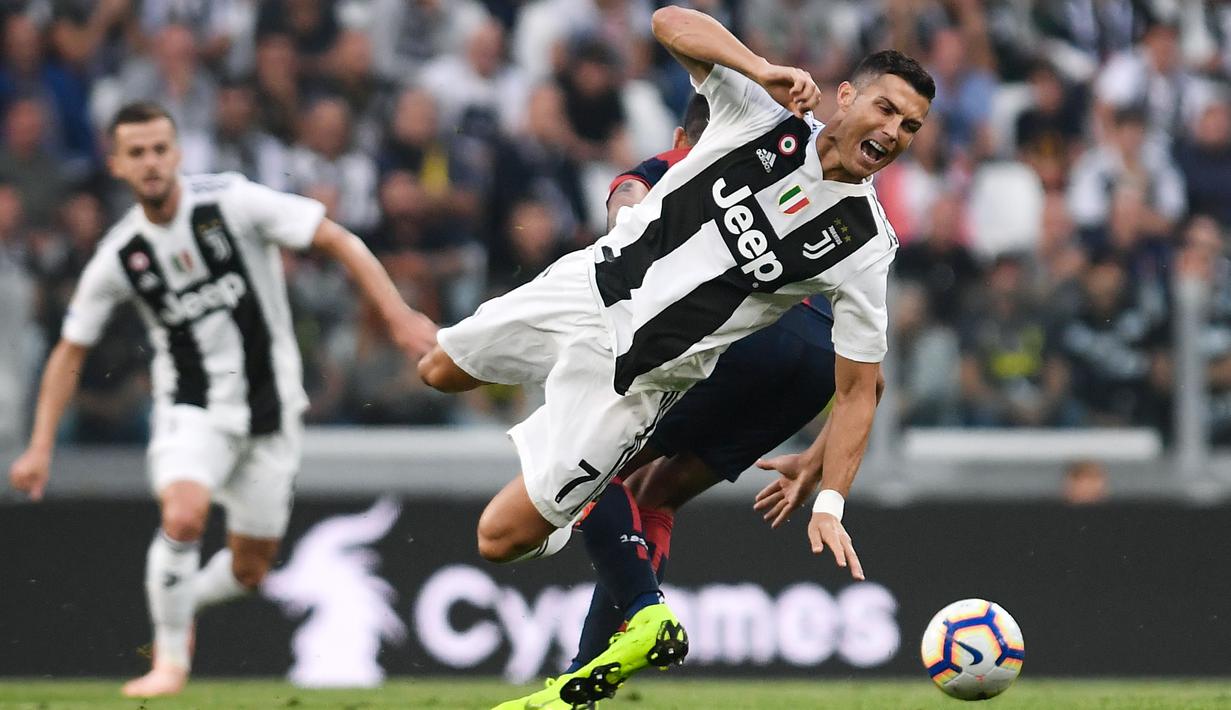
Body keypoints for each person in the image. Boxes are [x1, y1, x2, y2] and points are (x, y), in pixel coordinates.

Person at [418, 6, 933, 706]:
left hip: (635, 383)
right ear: (845, 95)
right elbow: (667, 22)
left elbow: (858, 389)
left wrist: (832, 502)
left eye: (909, 127)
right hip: (586, 291)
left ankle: (629, 607)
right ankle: (627, 592)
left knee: (497, 539)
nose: (893, 132)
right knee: (439, 372)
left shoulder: (866, 243)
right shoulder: (762, 116)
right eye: (885, 109)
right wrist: (759, 66)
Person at [7, 102, 436, 698]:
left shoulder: (231, 202)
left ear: (177, 153)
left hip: (272, 410)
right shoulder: (121, 255)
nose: (151, 162)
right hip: (192, 408)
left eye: (160, 149)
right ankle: (170, 658)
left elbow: (335, 237)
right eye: (137, 153)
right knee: (183, 515)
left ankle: (180, 602)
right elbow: (69, 351)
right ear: (117, 165)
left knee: (250, 569)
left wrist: (398, 316)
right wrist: (40, 445)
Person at [536, 91, 886, 709]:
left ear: (683, 131)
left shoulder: (685, 161)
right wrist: (817, 459)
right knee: (657, 495)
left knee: (583, 470)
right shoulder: (781, 170)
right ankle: (584, 684)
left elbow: (628, 203)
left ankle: (636, 622)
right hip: (809, 359)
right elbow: (867, 384)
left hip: (734, 342)